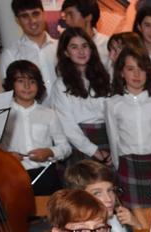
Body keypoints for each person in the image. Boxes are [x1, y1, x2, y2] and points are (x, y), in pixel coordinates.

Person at [105, 45, 151, 210]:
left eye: (141, 69)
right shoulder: (113, 103)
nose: (136, 74)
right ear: (121, 73)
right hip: (128, 164)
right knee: (134, 216)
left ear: (148, 72)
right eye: (130, 69)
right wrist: (119, 165)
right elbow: (113, 139)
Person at [1, 60, 71, 195]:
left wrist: (50, 152)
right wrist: (7, 157)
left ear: (39, 85)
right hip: (13, 174)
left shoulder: (49, 114)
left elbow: (65, 147)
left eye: (32, 81)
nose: (27, 86)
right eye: (21, 81)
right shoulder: (3, 114)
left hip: (45, 174)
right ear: (11, 84)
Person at [64, 158, 141, 232]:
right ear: (80, 197)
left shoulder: (117, 220)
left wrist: (136, 225)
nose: (109, 199)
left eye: (110, 190)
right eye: (97, 193)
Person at [53, 27, 113, 163]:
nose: (81, 51)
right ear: (66, 52)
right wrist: (93, 150)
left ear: (91, 49)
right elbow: (67, 125)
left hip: (109, 137)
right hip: (80, 143)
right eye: (74, 47)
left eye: (85, 46)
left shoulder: (105, 77)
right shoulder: (61, 84)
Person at [0, 0, 58, 94]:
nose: (32, 21)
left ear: (43, 14)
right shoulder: (10, 55)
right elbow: (11, 94)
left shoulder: (61, 48)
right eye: (25, 16)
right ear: (17, 20)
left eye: (36, 14)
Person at [61, 0, 110, 66]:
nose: (67, 21)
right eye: (65, 16)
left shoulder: (107, 45)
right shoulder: (63, 46)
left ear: (88, 17)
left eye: (70, 15)